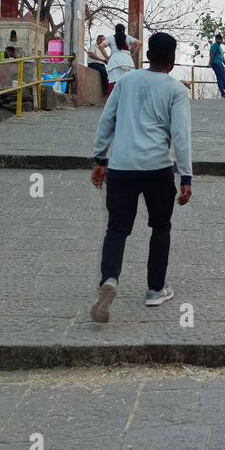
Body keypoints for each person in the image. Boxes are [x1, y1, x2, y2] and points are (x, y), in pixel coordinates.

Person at [89, 31, 192, 322]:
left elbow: (107, 120)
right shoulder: (176, 90)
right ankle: (155, 290)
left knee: (117, 229)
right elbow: (181, 137)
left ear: (147, 57)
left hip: (121, 166)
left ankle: (109, 279)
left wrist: (100, 159)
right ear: (172, 62)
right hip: (157, 168)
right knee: (160, 226)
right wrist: (186, 177)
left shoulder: (125, 82)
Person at [106, 24, 138, 91]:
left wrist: (107, 57)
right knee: (128, 81)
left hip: (114, 61)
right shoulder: (128, 37)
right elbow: (139, 43)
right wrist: (133, 54)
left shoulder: (111, 38)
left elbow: (101, 46)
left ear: (115, 30)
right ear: (124, 30)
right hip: (127, 60)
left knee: (114, 81)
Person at [209, 32, 225, 97]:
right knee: (222, 78)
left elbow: (222, 57)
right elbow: (212, 54)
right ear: (215, 39)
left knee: (221, 78)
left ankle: (224, 93)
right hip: (216, 63)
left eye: (220, 39)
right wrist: (209, 63)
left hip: (220, 63)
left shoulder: (219, 47)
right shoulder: (214, 46)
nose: (219, 41)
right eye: (218, 39)